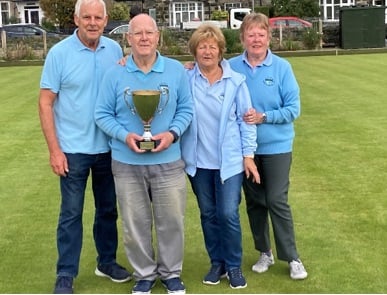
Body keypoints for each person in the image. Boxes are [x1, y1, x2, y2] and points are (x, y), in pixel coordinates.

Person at [94, 13, 193, 294]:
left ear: (158, 36)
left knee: (171, 220)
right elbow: (102, 114)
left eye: (149, 33)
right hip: (126, 161)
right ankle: (145, 275)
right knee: (134, 222)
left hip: (168, 159)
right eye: (138, 33)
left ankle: (171, 273)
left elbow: (187, 109)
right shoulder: (114, 73)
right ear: (128, 38)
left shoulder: (175, 71)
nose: (144, 38)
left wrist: (172, 134)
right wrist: (125, 136)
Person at [38, 0, 131, 293]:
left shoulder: (114, 50)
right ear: (76, 19)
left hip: (109, 148)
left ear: (106, 21)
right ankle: (66, 273)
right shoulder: (59, 54)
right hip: (72, 150)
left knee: (107, 210)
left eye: (98, 17)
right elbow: (45, 102)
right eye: (87, 17)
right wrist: (54, 150)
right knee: (71, 214)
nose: (93, 22)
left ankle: (106, 262)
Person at [228, 12, 308, 280]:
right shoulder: (231, 66)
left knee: (276, 199)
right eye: (250, 34)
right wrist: (189, 68)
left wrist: (264, 117)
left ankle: (292, 257)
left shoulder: (282, 68)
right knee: (255, 201)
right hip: (245, 149)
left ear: (268, 37)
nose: (256, 39)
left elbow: (293, 108)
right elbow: (207, 71)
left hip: (276, 146)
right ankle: (265, 251)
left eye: (261, 34)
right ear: (243, 38)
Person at [181, 24, 260, 289]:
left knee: (228, 214)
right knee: (208, 214)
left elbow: (246, 121)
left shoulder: (236, 81)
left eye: (212, 46)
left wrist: (248, 155)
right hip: (198, 163)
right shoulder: (186, 78)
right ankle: (217, 263)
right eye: (202, 46)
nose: (207, 51)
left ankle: (234, 266)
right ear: (195, 51)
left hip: (229, 163)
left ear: (220, 51)